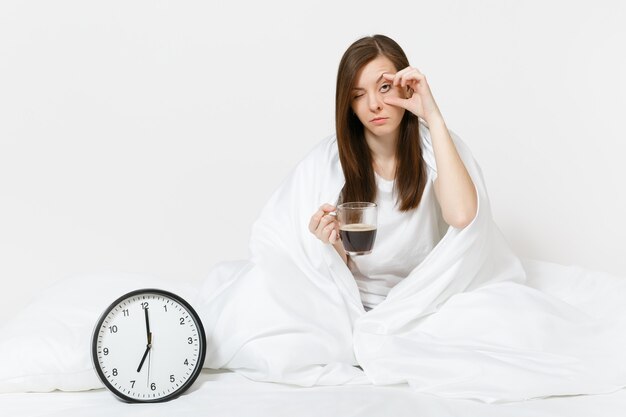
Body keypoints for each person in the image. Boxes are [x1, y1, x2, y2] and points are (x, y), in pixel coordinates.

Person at [308, 34, 479, 311]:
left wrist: (432, 115)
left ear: (407, 88)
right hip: (360, 305)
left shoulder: (434, 144)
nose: (373, 104)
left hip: (428, 300)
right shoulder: (331, 161)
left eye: (385, 87)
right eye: (358, 95)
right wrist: (330, 241)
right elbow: (343, 268)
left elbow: (462, 216)